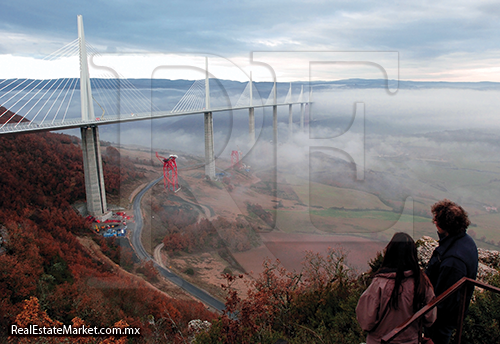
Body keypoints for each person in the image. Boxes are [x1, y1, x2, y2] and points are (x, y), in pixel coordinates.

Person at [356, 232, 436, 344]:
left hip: (380, 341)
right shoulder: (422, 282)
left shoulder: (379, 284)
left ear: (390, 253)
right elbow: (430, 318)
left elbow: (366, 321)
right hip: (410, 341)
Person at [425, 199, 478, 344]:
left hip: (440, 322)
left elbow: (445, 301)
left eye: (436, 220)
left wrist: (427, 317)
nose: (435, 223)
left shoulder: (453, 261)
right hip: (446, 318)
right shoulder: (466, 241)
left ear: (444, 225)